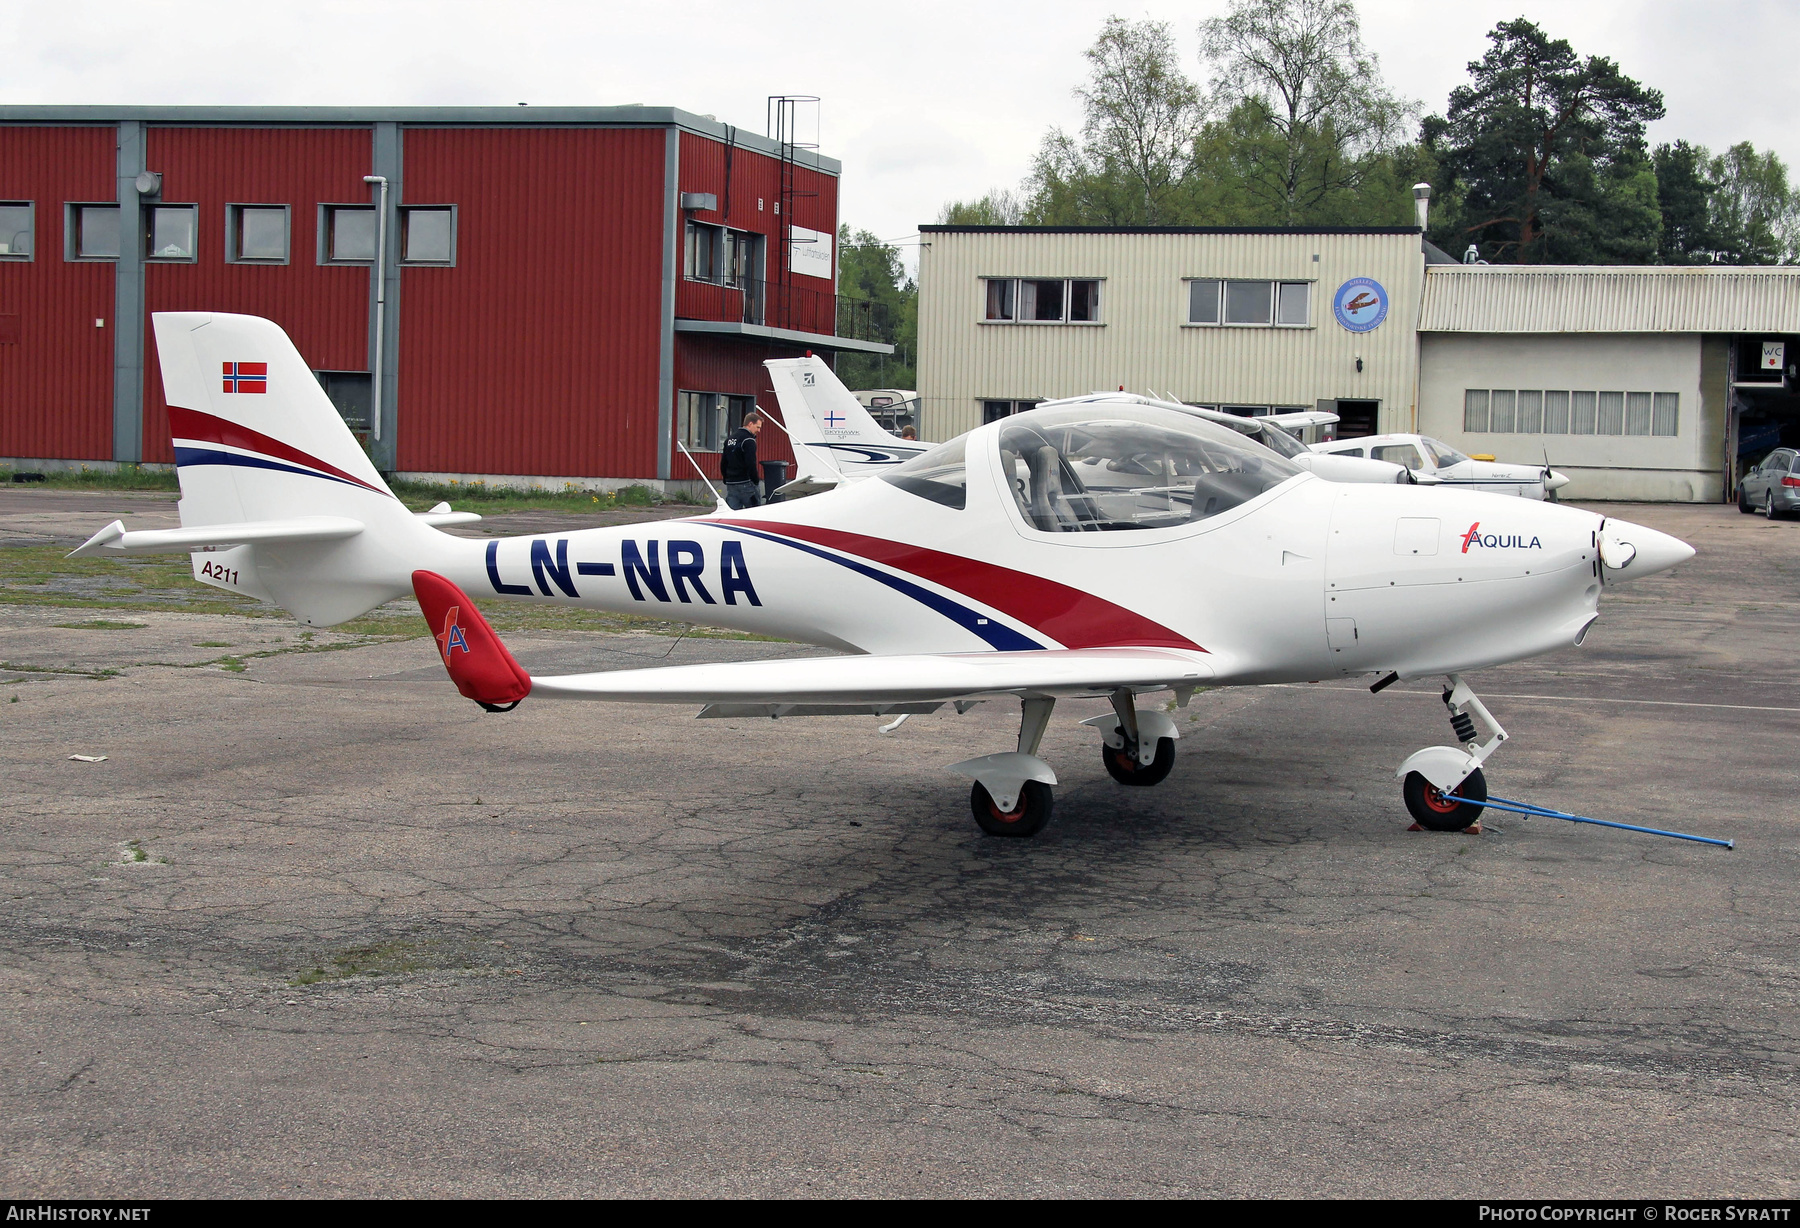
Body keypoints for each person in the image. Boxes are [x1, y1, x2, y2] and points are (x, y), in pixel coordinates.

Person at [720, 409, 764, 509]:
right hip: (746, 482)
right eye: (757, 427)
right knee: (754, 513)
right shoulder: (749, 440)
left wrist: (726, 478)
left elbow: (724, 461)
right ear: (750, 424)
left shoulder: (730, 439)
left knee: (733, 514)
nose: (758, 430)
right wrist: (755, 480)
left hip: (731, 483)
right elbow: (751, 463)